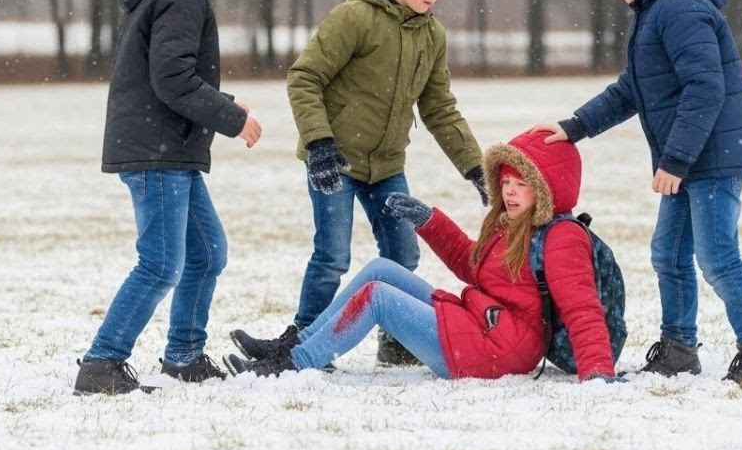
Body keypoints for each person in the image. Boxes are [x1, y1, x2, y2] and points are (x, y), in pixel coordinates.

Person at [533, 0, 742, 389]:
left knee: (717, 256)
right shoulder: (655, 11)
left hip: (709, 158)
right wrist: (575, 126)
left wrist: (676, 160)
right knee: (668, 255)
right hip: (691, 158)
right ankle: (678, 348)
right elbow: (634, 89)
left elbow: (705, 89)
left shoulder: (680, 9)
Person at [231, 0, 485, 367]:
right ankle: (302, 341)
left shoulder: (432, 36)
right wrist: (320, 143)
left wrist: (475, 168)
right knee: (332, 254)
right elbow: (304, 77)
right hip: (335, 162)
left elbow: (440, 108)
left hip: (387, 167)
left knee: (404, 252)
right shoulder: (354, 18)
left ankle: (395, 340)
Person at [225, 129, 616, 382]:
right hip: (482, 322)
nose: (510, 192)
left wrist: (598, 372)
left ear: (548, 189)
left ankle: (294, 366)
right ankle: (294, 345)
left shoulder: (562, 237)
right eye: (506, 183)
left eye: (521, 185)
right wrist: (430, 221)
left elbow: (583, 308)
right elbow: (474, 268)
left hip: (498, 350)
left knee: (377, 297)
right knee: (382, 269)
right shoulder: (510, 223)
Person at [73, 0, 263, 396]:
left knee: (207, 253)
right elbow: (172, 80)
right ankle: (102, 363)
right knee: (161, 263)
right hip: (158, 152)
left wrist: (223, 103)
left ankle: (183, 355)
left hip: (167, 148)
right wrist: (230, 118)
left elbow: (169, 74)